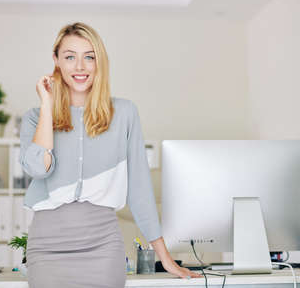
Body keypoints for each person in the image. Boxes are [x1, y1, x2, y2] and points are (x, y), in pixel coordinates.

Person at [19, 22, 201, 288]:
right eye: (70, 57)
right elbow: (38, 168)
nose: (80, 67)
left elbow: (139, 188)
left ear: (99, 62)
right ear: (56, 60)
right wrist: (47, 105)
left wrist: (166, 259)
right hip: (47, 250)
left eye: (89, 57)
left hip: (102, 249)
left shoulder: (125, 113)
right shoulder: (34, 118)